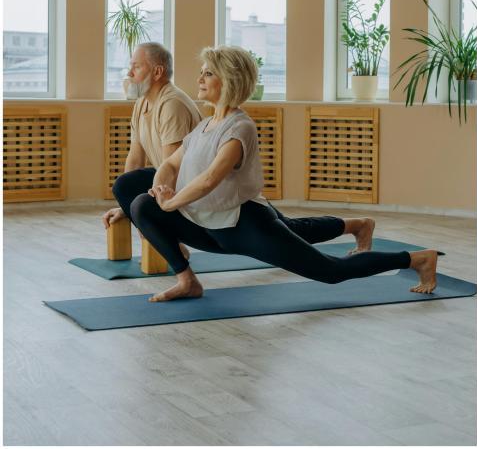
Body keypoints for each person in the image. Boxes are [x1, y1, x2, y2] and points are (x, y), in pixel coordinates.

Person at [129, 45, 439, 302]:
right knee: (142, 204)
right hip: (205, 226)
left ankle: (416, 259)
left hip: (244, 225)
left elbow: (210, 179)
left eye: (209, 73)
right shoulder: (204, 126)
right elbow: (170, 165)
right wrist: (159, 191)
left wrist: (171, 203)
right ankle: (188, 281)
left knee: (331, 271)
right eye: (203, 72)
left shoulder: (239, 127)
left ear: (229, 80)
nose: (200, 78)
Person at [102, 42, 202, 231]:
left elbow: (173, 169)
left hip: (188, 185)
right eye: (130, 66)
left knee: (140, 203)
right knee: (124, 184)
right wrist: (126, 206)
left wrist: (143, 213)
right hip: (165, 177)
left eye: (137, 67)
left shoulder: (172, 104)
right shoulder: (142, 102)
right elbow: (135, 157)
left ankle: (169, 241)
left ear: (157, 72)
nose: (129, 73)